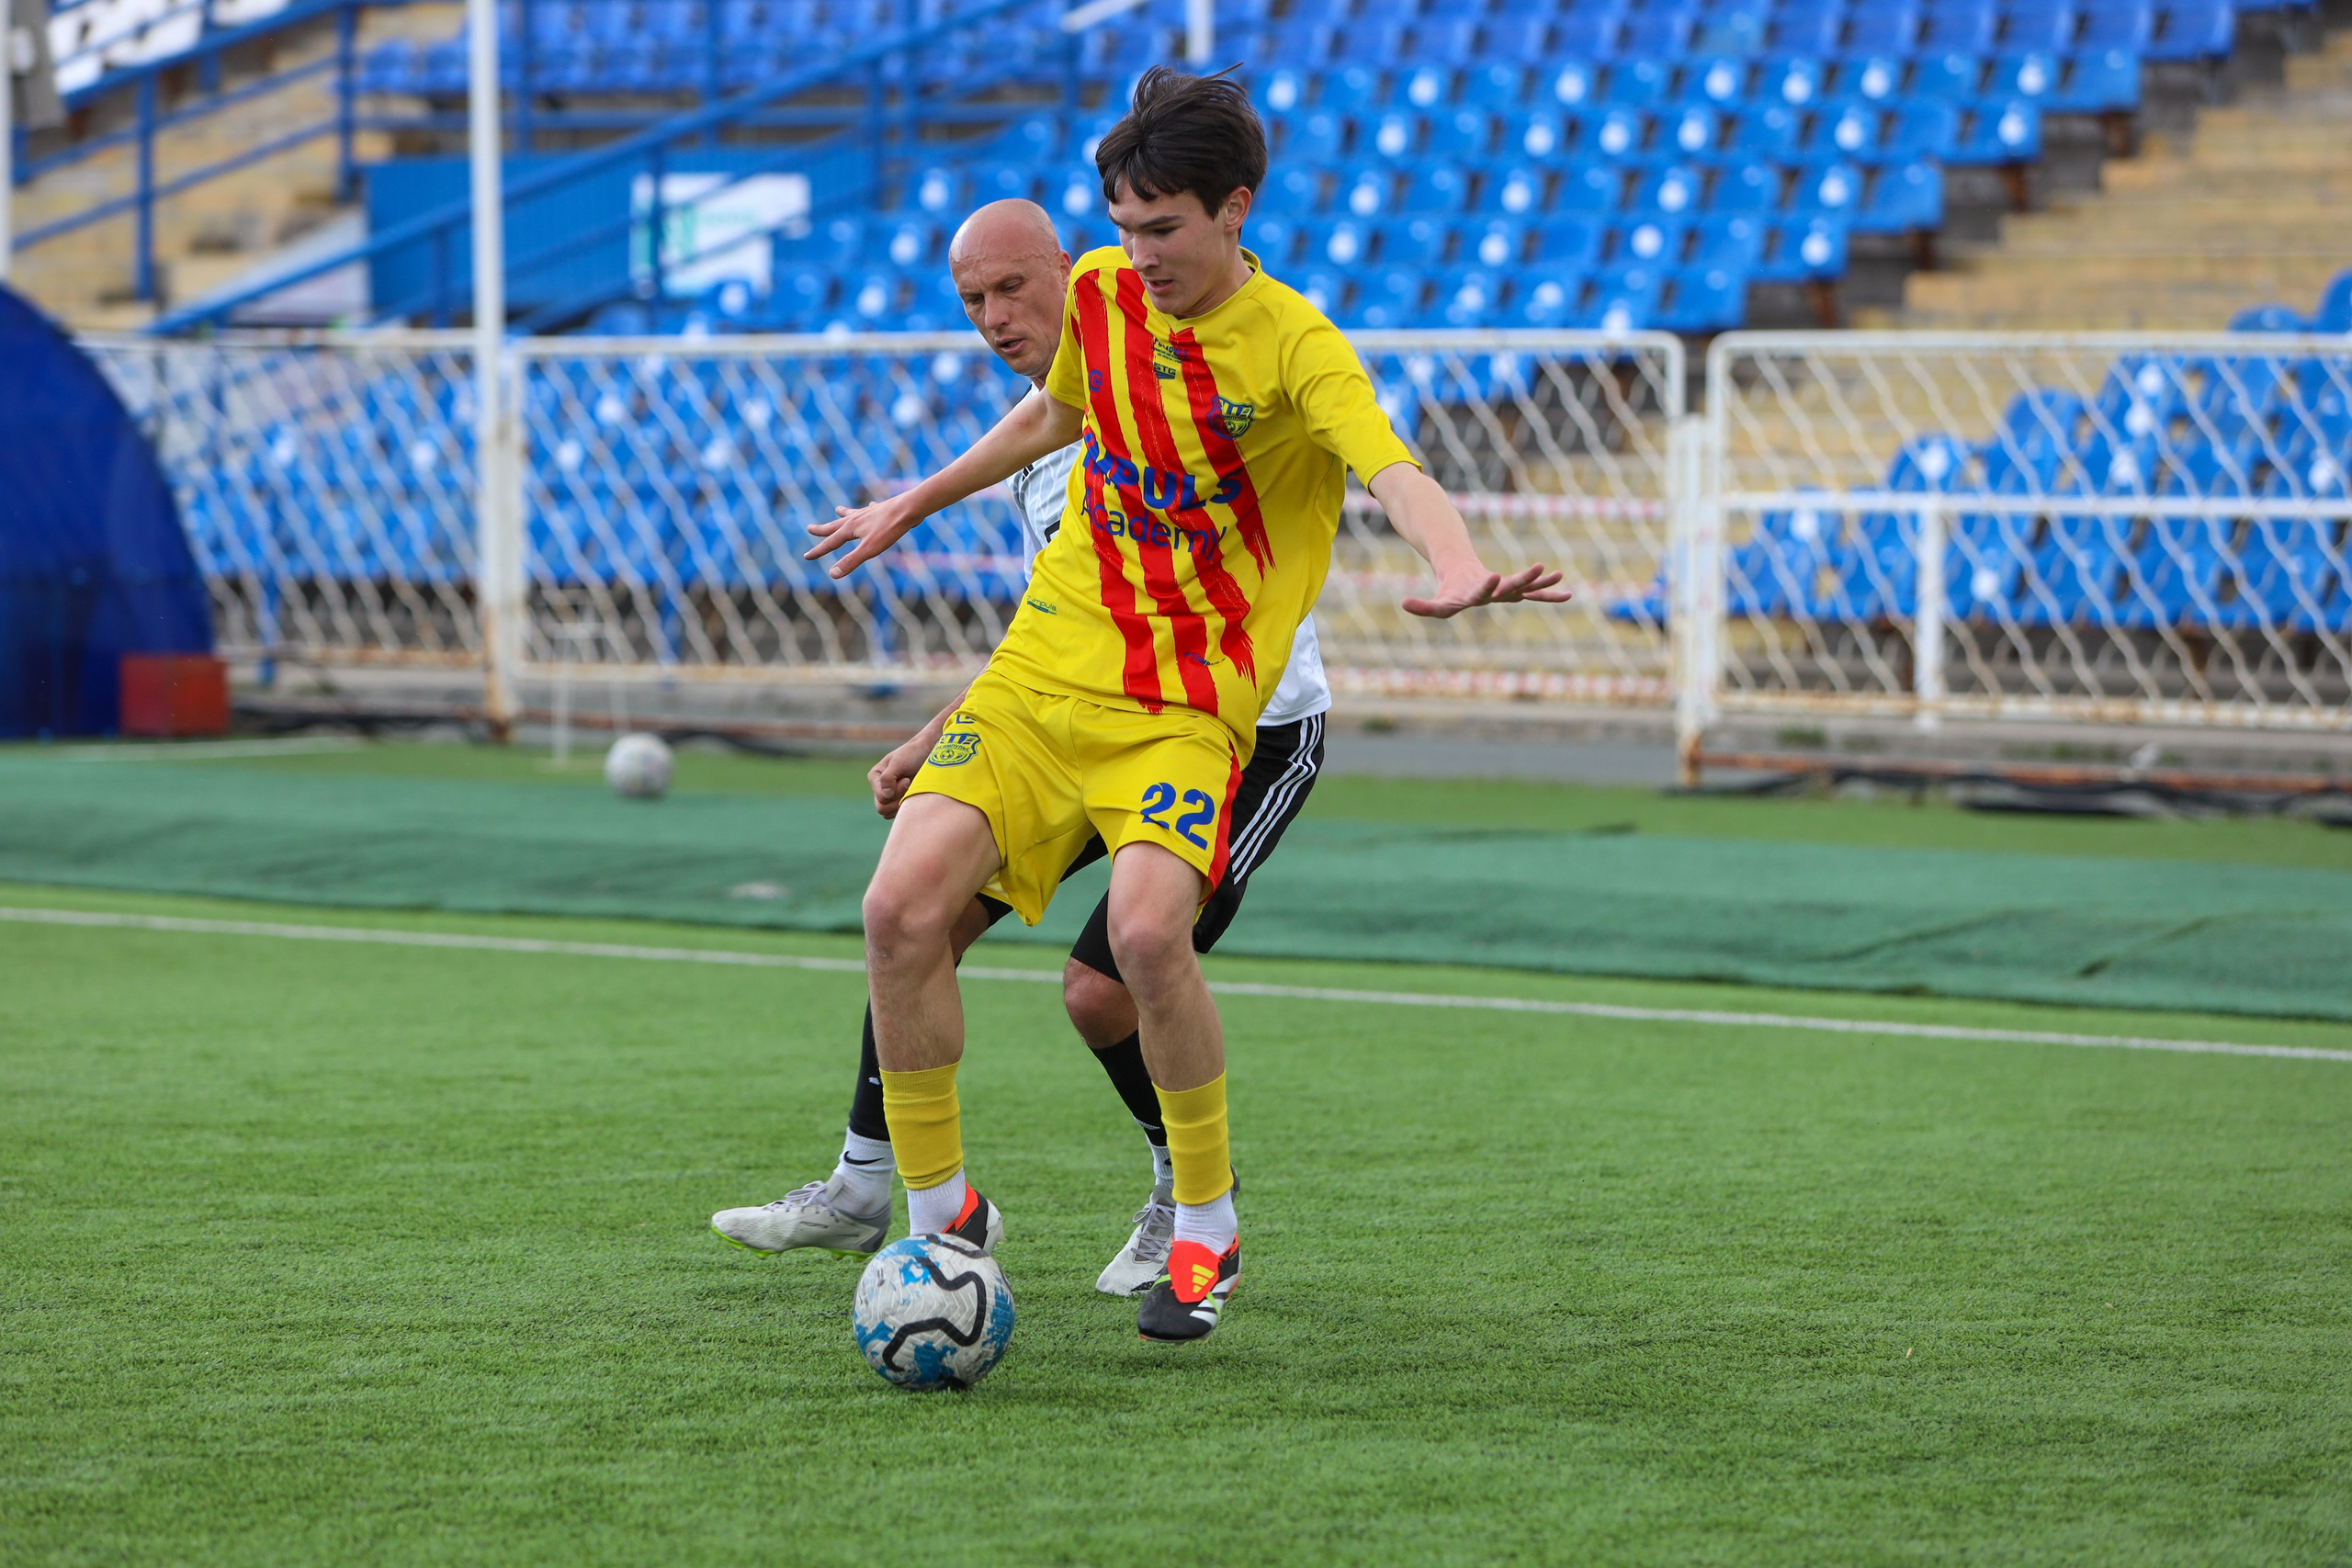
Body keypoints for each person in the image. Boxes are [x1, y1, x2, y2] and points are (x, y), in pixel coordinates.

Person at [786, 66, 1564, 1343]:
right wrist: (914, 501)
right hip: (1047, 668)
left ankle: (1205, 1218)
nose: (1137, 253)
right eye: (1122, 225)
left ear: (1234, 209)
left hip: (1184, 701)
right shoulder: (1101, 294)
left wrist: (1456, 560)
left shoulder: (1295, 345)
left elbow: (1391, 465)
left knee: (1145, 943)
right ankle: (938, 1221)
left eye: (1162, 228)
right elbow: (1056, 410)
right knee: (898, 910)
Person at [711, 196, 1335, 1296]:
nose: (996, 319)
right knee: (918, 920)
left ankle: (1188, 1198)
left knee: (1102, 987)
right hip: (1076, 718)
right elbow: (1066, 629)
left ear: (1073, 270)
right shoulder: (1036, 441)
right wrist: (938, 736)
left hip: (1239, 737)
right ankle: (868, 1185)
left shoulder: (1175, 384)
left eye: (1012, 289)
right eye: (972, 302)